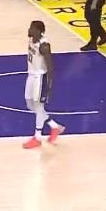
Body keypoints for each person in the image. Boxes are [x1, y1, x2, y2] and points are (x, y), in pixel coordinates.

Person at [22, 20, 64, 149]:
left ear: (39, 31)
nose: (29, 30)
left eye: (32, 28)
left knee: (39, 106)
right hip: (31, 76)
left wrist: (49, 86)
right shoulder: (31, 39)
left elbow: (50, 67)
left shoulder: (44, 46)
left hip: (40, 78)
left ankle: (37, 137)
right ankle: (54, 126)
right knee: (30, 104)